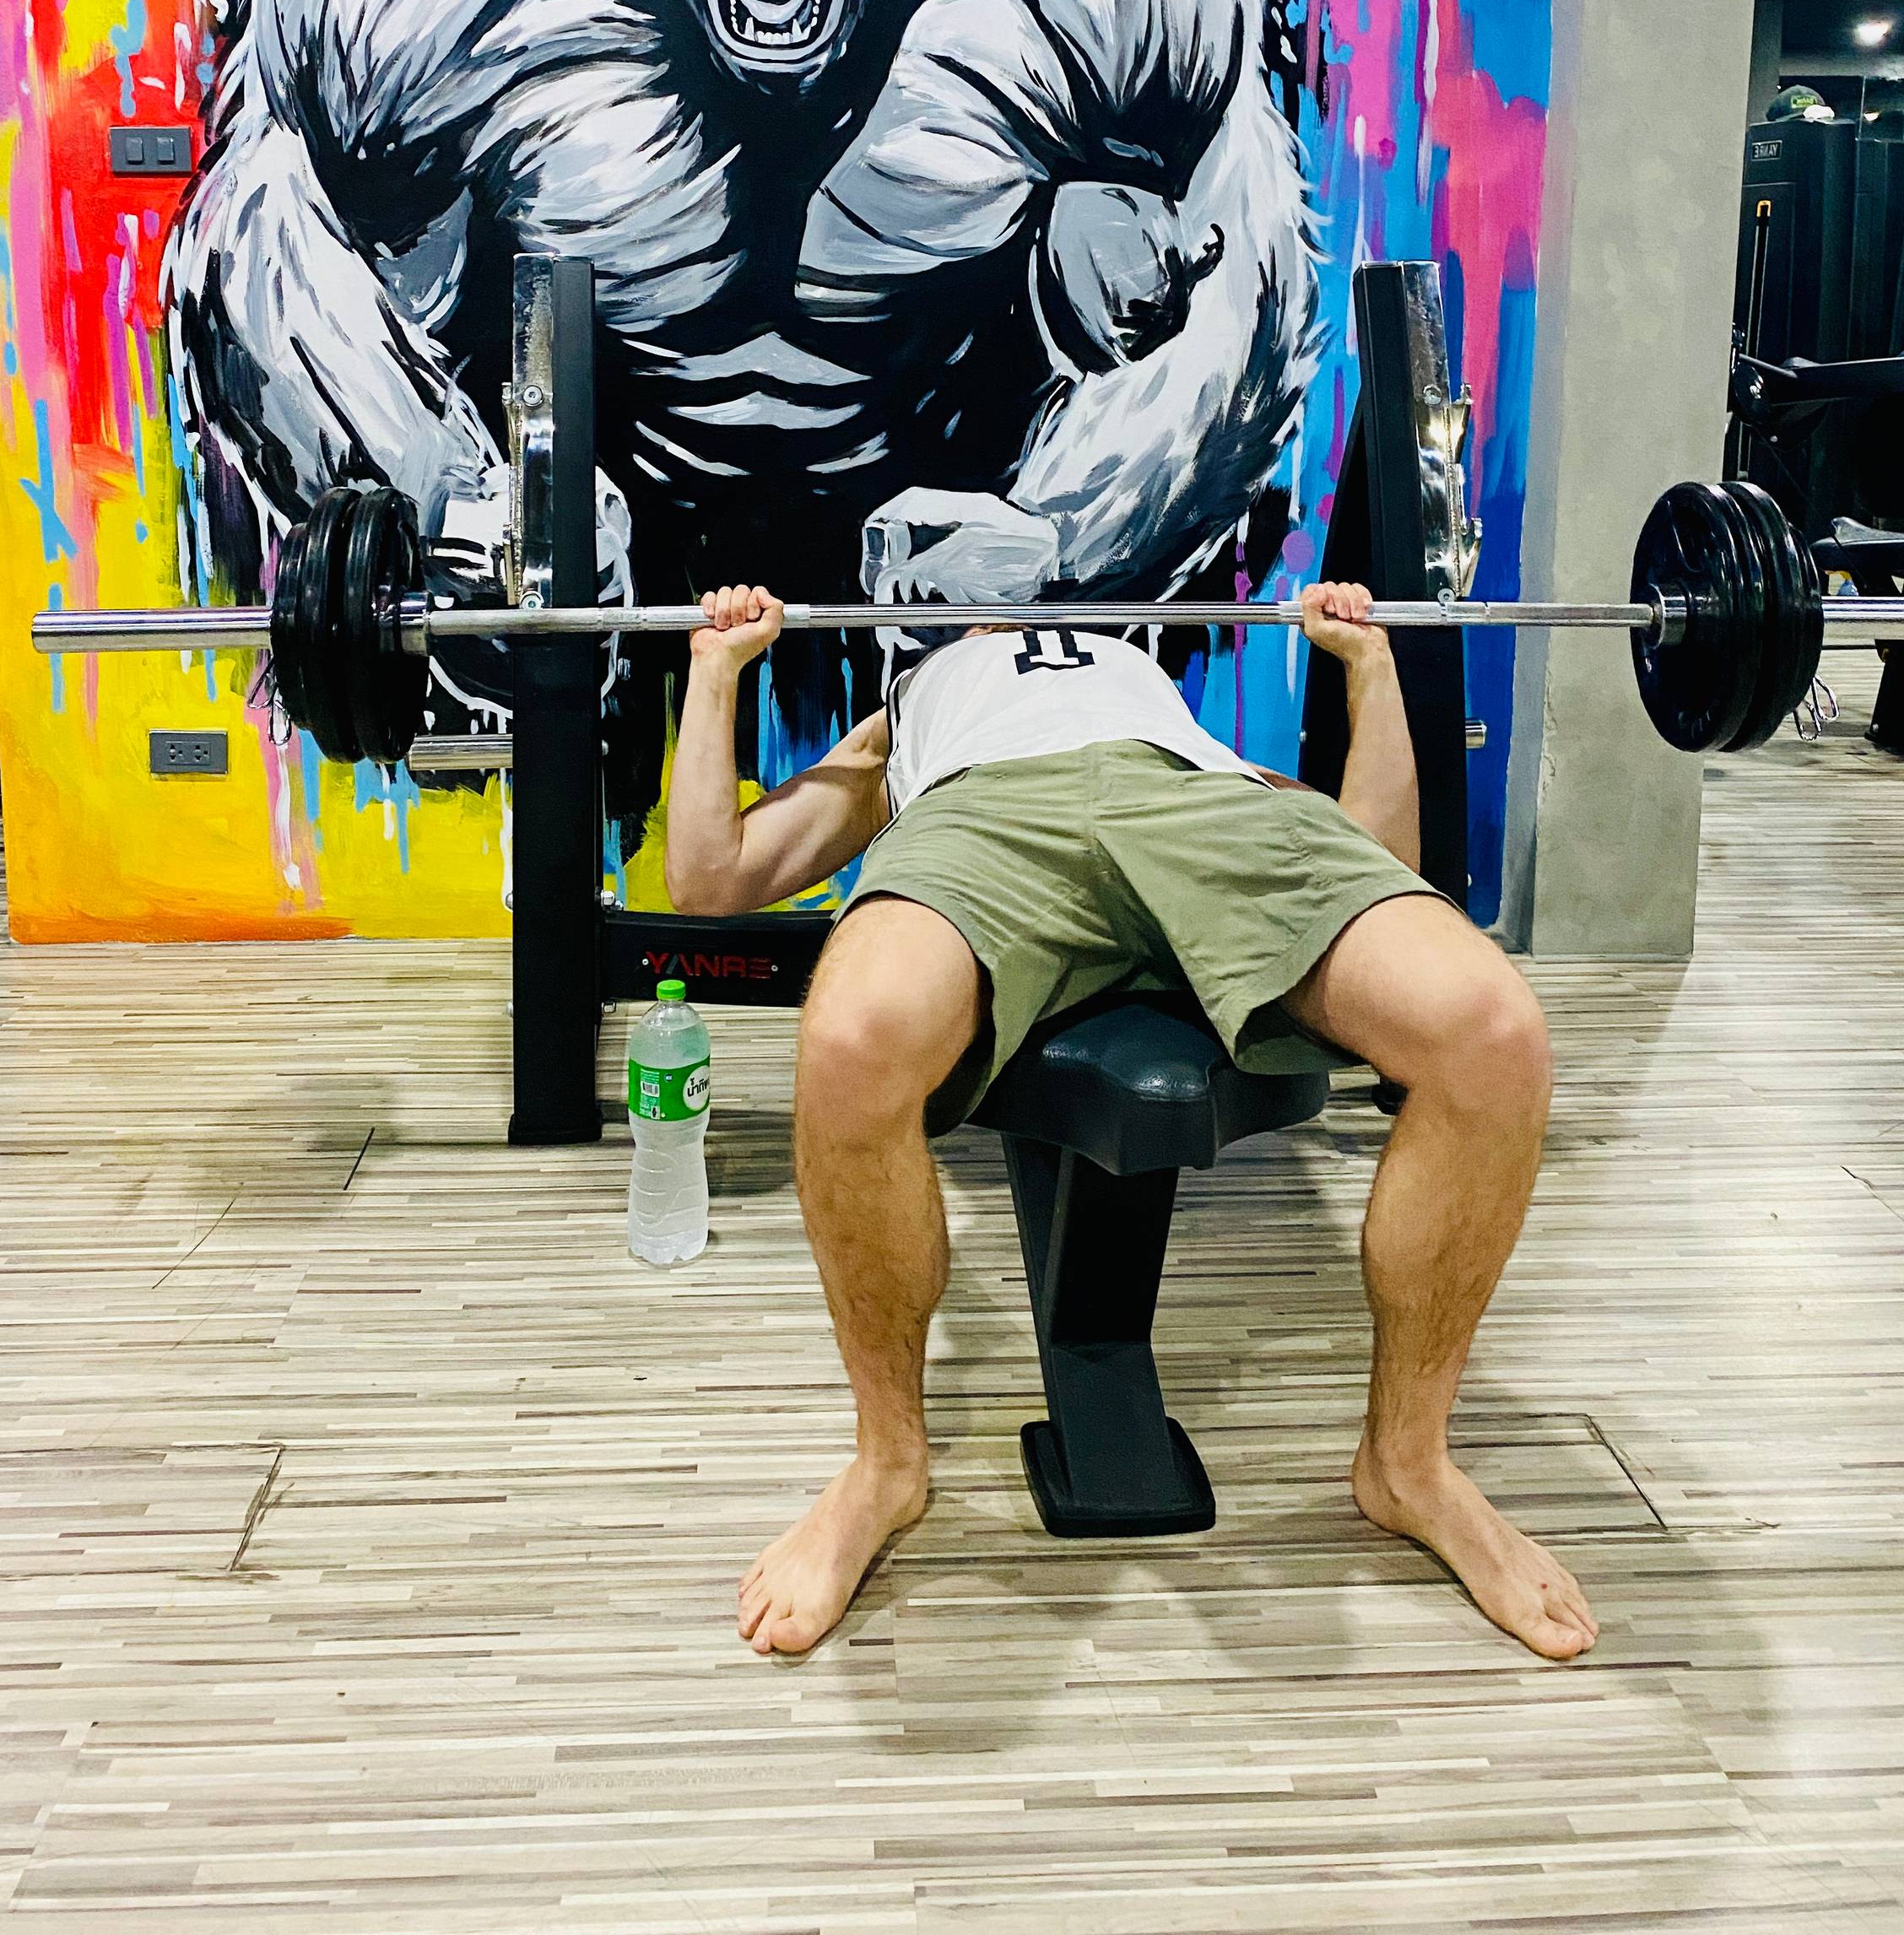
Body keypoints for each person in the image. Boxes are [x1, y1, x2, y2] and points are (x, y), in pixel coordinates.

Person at [663, 584, 1598, 1667]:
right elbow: (710, 873)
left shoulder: (1157, 697)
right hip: (985, 815)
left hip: (1196, 805)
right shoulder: (913, 697)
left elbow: (1373, 859)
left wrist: (1370, 668)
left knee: (1494, 1032)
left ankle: (1410, 1460)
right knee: (850, 1042)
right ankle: (887, 1462)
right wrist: (715, 668)